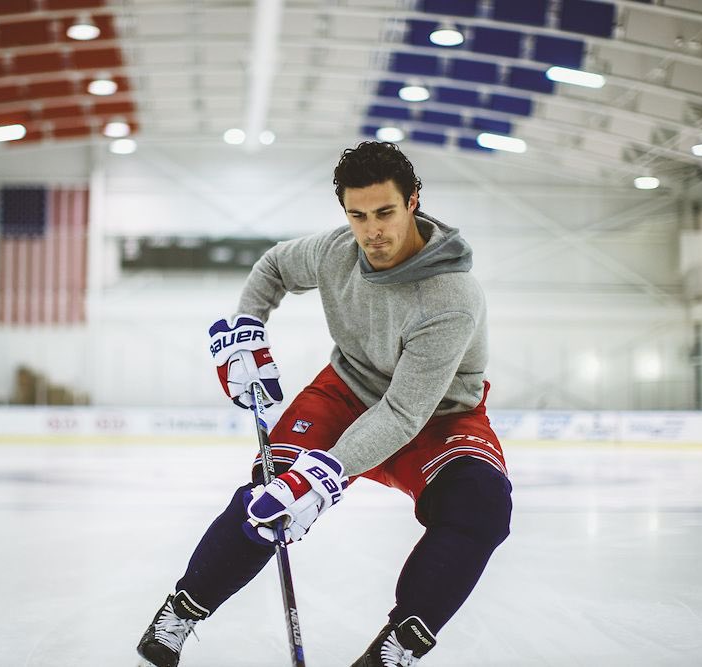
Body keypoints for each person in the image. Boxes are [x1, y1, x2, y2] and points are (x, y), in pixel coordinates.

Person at [137, 141, 512, 667]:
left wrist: (324, 476)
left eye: (385, 212)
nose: (372, 231)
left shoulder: (450, 297)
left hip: (437, 416)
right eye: (357, 215)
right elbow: (273, 266)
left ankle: (398, 645)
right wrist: (248, 328)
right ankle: (181, 611)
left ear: (413, 201)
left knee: (481, 507)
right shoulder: (338, 251)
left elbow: (403, 413)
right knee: (271, 497)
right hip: (346, 392)